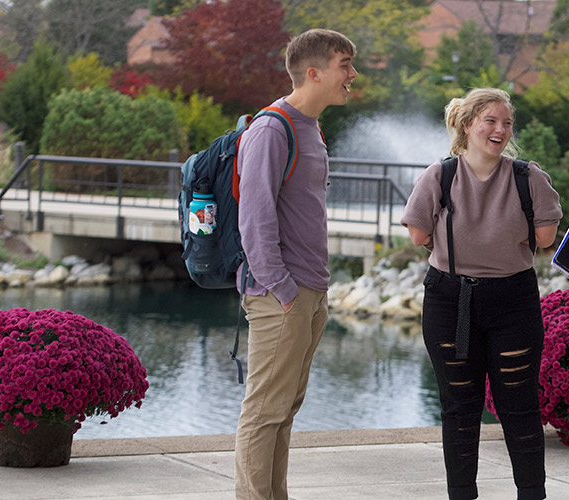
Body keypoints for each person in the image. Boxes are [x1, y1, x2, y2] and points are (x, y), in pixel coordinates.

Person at [400, 88, 562, 500]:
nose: (500, 129)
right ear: (468, 125)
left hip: (501, 300)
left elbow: (421, 234)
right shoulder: (448, 174)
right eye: (491, 121)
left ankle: (502, 494)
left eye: (506, 123)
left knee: (465, 407)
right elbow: (543, 237)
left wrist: (460, 236)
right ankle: (522, 494)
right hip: (456, 302)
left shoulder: (515, 176)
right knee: (514, 406)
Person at [233, 29, 357, 500]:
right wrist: (282, 290)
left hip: (310, 292)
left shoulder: (311, 126)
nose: (352, 75)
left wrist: (311, 294)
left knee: (284, 410)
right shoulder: (271, 128)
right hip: (280, 295)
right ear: (314, 72)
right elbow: (255, 218)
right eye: (345, 64)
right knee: (264, 410)